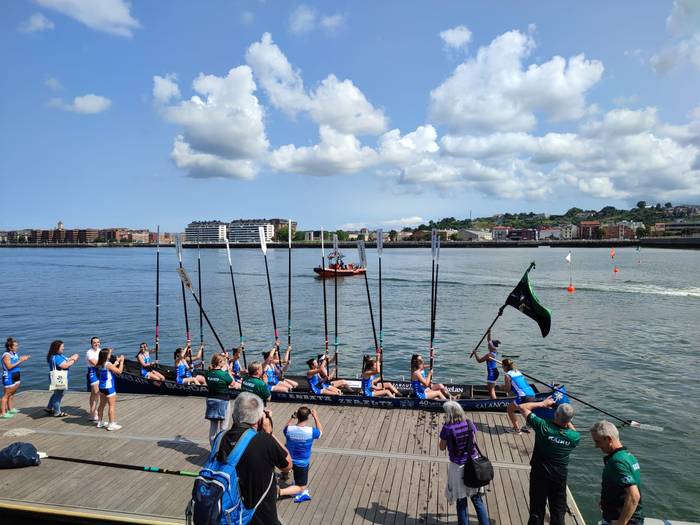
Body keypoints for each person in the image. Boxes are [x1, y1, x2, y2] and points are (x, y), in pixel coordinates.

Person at [216, 392, 292, 525]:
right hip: (260, 516)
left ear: (234, 414)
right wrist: (269, 434)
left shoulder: (220, 438)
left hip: (228, 513)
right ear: (258, 419)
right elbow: (288, 465)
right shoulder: (264, 441)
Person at [519, 397, 580, 525]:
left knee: (537, 510)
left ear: (556, 414)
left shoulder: (543, 427)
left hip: (540, 475)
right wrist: (567, 419)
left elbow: (523, 407)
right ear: (570, 420)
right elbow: (573, 430)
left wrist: (543, 404)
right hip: (559, 478)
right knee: (558, 511)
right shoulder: (574, 437)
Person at [439, 401, 489, 525]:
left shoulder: (447, 428)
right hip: (473, 465)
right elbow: (474, 441)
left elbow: (442, 447)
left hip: (457, 466)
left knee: (461, 502)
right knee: (477, 499)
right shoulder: (469, 423)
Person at [590, 420, 644, 525]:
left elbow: (634, 495)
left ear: (608, 439)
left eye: (598, 441)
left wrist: (621, 522)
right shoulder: (629, 456)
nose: (596, 446)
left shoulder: (617, 461)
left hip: (620, 519)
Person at [280, 406, 323, 502]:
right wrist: (315, 417)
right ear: (308, 418)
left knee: (296, 477)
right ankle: (280, 492)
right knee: (302, 488)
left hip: (289, 460)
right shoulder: (310, 431)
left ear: (297, 416)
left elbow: (285, 429)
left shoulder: (289, 430)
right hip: (302, 463)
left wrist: (292, 417)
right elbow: (320, 432)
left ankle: (289, 478)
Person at [204, 354, 234, 445]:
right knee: (223, 427)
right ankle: (220, 450)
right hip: (223, 401)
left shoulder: (208, 373)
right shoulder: (224, 374)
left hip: (211, 400)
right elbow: (233, 383)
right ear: (220, 362)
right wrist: (228, 372)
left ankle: (213, 449)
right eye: (224, 361)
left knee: (213, 427)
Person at [46, 340, 79, 417]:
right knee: (59, 395)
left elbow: (67, 360)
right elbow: (65, 365)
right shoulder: (57, 357)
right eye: (62, 347)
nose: (63, 348)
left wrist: (73, 357)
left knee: (56, 393)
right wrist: (74, 359)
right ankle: (57, 412)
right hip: (59, 378)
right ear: (57, 348)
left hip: (55, 377)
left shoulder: (56, 356)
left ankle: (49, 407)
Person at [502, 358, 536, 433]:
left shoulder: (507, 375)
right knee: (527, 410)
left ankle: (516, 429)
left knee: (509, 409)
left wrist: (502, 387)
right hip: (532, 394)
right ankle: (527, 426)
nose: (502, 368)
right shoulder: (518, 372)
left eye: (502, 366)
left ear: (505, 367)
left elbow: (508, 390)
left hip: (523, 396)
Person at [96, 347, 125, 431]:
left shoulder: (100, 364)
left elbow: (109, 369)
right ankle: (111, 424)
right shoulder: (108, 364)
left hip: (101, 387)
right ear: (106, 356)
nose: (110, 355)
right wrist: (122, 362)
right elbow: (119, 371)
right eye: (109, 354)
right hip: (109, 387)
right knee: (111, 406)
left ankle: (100, 422)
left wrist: (116, 362)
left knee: (101, 405)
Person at [2, 337, 30, 419]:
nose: (17, 347)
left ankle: (10, 409)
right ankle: (3, 413)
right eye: (15, 346)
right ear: (10, 347)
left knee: (12, 393)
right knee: (6, 395)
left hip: (16, 374)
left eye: (17, 346)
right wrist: (21, 360)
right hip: (9, 375)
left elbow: (16, 362)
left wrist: (23, 358)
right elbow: (9, 366)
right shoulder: (6, 355)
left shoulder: (14, 354)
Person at [473, 330, 500, 399]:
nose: (488, 346)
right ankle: (493, 400)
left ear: (492, 346)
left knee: (491, 390)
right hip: (495, 372)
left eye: (489, 345)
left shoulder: (489, 355)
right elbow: (489, 340)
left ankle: (494, 402)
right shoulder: (496, 351)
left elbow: (479, 361)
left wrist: (475, 353)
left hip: (492, 373)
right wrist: (489, 332)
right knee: (491, 388)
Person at [85, 336, 101, 422]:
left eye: (98, 342)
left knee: (94, 394)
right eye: (94, 342)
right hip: (92, 372)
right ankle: (94, 412)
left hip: (100, 372)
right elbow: (95, 363)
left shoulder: (100, 350)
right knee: (96, 392)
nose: (96, 344)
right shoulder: (89, 352)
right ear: (91, 344)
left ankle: (92, 412)